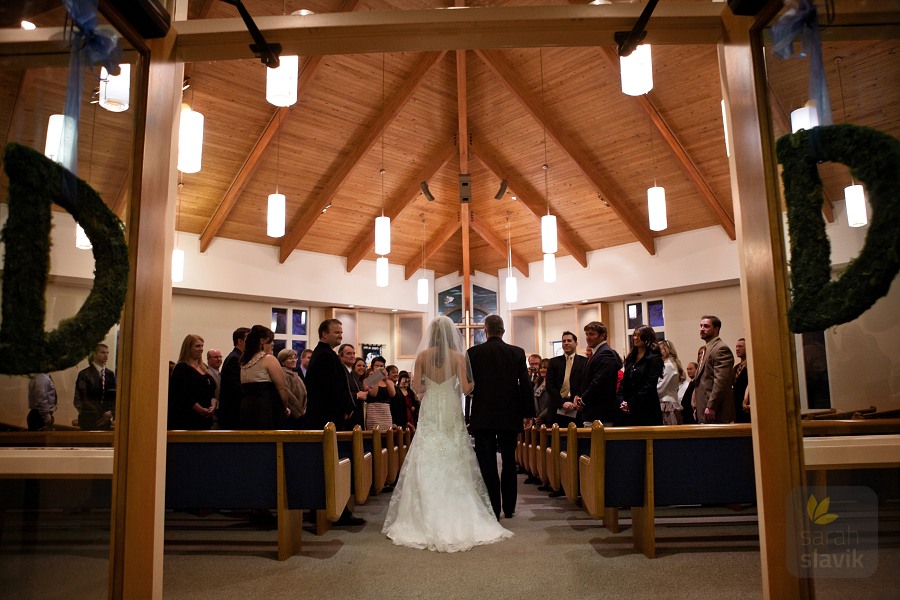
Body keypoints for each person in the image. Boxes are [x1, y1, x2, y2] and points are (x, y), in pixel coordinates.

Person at [383, 316, 514, 551]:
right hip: (452, 407)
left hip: (432, 405)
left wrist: (429, 387)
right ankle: (458, 509)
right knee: (454, 453)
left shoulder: (422, 356)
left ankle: (425, 512)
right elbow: (466, 388)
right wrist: (471, 386)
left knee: (428, 452)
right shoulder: (458, 357)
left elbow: (416, 389)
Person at [467, 314, 534, 520]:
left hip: (483, 415)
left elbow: (469, 385)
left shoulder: (473, 352)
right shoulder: (516, 352)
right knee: (508, 461)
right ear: (503, 331)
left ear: (485, 331)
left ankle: (493, 508)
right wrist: (528, 413)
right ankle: (510, 507)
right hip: (509, 414)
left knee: (487, 463)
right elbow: (525, 384)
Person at [305, 319, 365, 526]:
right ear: (324, 334)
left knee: (331, 464)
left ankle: (333, 509)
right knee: (330, 464)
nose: (340, 335)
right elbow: (332, 389)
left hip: (328, 416)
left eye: (341, 332)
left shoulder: (326, 354)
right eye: (336, 332)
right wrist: (346, 408)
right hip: (327, 418)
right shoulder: (324, 357)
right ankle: (332, 510)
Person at [239, 325, 296, 429]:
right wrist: (284, 407)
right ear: (262, 341)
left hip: (247, 408)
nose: (271, 345)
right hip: (266, 408)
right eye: (270, 342)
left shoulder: (244, 361)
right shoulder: (268, 359)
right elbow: (282, 387)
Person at [574, 321, 622, 426]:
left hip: (600, 412)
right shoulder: (596, 352)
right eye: (586, 334)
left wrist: (583, 400)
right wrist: (578, 395)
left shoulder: (605, 353)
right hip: (593, 411)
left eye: (591, 334)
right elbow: (586, 379)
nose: (588, 337)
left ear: (602, 336)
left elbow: (599, 382)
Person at [617, 325, 664, 426]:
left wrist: (630, 403)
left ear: (647, 338)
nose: (635, 338)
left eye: (639, 335)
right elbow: (624, 382)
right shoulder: (631, 358)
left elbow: (650, 385)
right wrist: (621, 400)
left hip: (646, 407)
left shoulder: (653, 359)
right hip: (627, 408)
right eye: (634, 335)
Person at [168, 334, 217, 430]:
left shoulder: (204, 368)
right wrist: (201, 410)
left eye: (202, 346)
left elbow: (211, 391)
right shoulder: (182, 368)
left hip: (205, 419)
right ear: (188, 348)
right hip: (188, 418)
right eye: (197, 346)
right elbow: (182, 395)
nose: (201, 349)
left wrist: (213, 405)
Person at [693, 316, 735, 424]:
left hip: (715, 411)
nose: (702, 329)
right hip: (704, 408)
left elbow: (720, 381)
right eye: (701, 326)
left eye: (706, 326)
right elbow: (701, 381)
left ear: (716, 329)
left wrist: (711, 406)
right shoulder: (705, 349)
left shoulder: (721, 349)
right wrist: (697, 406)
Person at [545, 331, 586, 427]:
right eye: (563, 341)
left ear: (576, 343)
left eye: (569, 340)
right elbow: (550, 385)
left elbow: (584, 383)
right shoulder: (553, 362)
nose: (566, 343)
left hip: (576, 407)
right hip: (557, 407)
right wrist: (562, 403)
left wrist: (576, 399)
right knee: (556, 440)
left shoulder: (584, 362)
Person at [74, 343, 116, 430]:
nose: (106, 355)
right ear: (95, 354)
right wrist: (92, 413)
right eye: (103, 352)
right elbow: (80, 398)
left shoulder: (110, 374)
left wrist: (110, 412)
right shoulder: (84, 374)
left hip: (106, 418)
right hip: (88, 418)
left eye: (107, 353)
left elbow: (113, 396)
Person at [218, 327, 249, 429]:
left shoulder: (237, 357)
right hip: (233, 411)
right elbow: (235, 386)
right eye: (248, 339)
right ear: (240, 341)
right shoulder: (235, 358)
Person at [657, 339, 686, 425]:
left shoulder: (668, 365)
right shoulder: (668, 364)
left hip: (667, 404)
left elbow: (661, 387)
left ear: (667, 350)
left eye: (660, 350)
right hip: (665, 402)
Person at [278, 348, 308, 427]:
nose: (294, 360)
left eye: (295, 358)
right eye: (290, 358)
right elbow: (288, 395)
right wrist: (299, 412)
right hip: (292, 415)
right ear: (282, 361)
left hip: (301, 414)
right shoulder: (283, 374)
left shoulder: (295, 374)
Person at [338, 344, 366, 429]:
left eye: (353, 354)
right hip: (347, 416)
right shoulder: (340, 371)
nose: (352, 356)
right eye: (349, 353)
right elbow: (339, 392)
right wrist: (357, 395)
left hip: (358, 415)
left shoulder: (353, 374)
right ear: (340, 356)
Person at [365, 359, 396, 431]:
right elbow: (373, 394)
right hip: (373, 412)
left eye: (381, 366)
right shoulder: (368, 380)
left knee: (387, 435)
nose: (379, 368)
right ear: (372, 367)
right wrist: (376, 377)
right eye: (377, 366)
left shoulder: (389, 381)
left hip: (385, 412)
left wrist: (386, 379)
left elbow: (392, 394)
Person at [733, 338, 751, 423]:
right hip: (736, 409)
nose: (737, 349)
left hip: (747, 407)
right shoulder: (735, 368)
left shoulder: (751, 367)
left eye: (740, 346)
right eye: (736, 346)